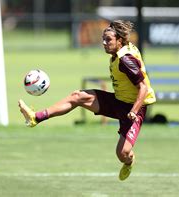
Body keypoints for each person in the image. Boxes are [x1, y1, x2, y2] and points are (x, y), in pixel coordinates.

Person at [18, 20, 156, 181]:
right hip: (118, 101)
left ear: (120, 40)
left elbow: (143, 88)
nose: (104, 43)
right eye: (103, 39)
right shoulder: (119, 52)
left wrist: (133, 111)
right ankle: (36, 117)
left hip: (134, 109)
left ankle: (129, 162)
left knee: (122, 154)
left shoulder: (126, 60)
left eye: (108, 40)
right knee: (78, 96)